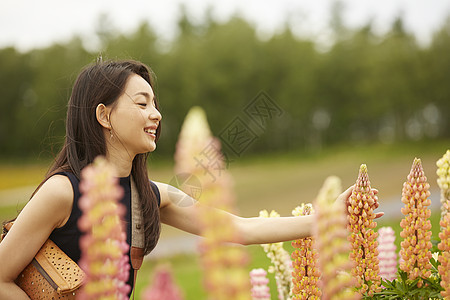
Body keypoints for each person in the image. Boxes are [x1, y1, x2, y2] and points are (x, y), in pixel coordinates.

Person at [0, 59, 382, 299]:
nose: (156, 114)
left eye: (155, 103)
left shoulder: (155, 196)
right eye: (142, 103)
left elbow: (238, 228)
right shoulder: (62, 191)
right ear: (104, 116)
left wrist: (332, 218)